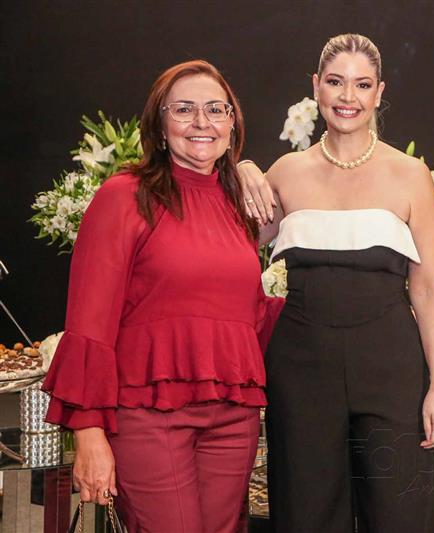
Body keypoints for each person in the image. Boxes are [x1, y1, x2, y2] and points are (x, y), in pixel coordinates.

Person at [42, 60, 267, 533]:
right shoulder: (124, 196)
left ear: (232, 123)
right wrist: (88, 434)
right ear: (160, 127)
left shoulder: (237, 205)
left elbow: (249, 314)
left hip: (234, 417)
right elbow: (89, 322)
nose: (202, 121)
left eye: (215, 109)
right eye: (183, 109)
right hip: (149, 417)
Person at [238, 33, 434, 532]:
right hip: (301, 366)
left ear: (379, 92)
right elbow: (231, 246)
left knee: (401, 514)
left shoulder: (410, 175)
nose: (347, 97)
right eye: (335, 82)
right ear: (316, 86)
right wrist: (241, 169)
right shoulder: (286, 172)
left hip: (391, 366)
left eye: (362, 84)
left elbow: (429, 287)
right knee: (307, 513)